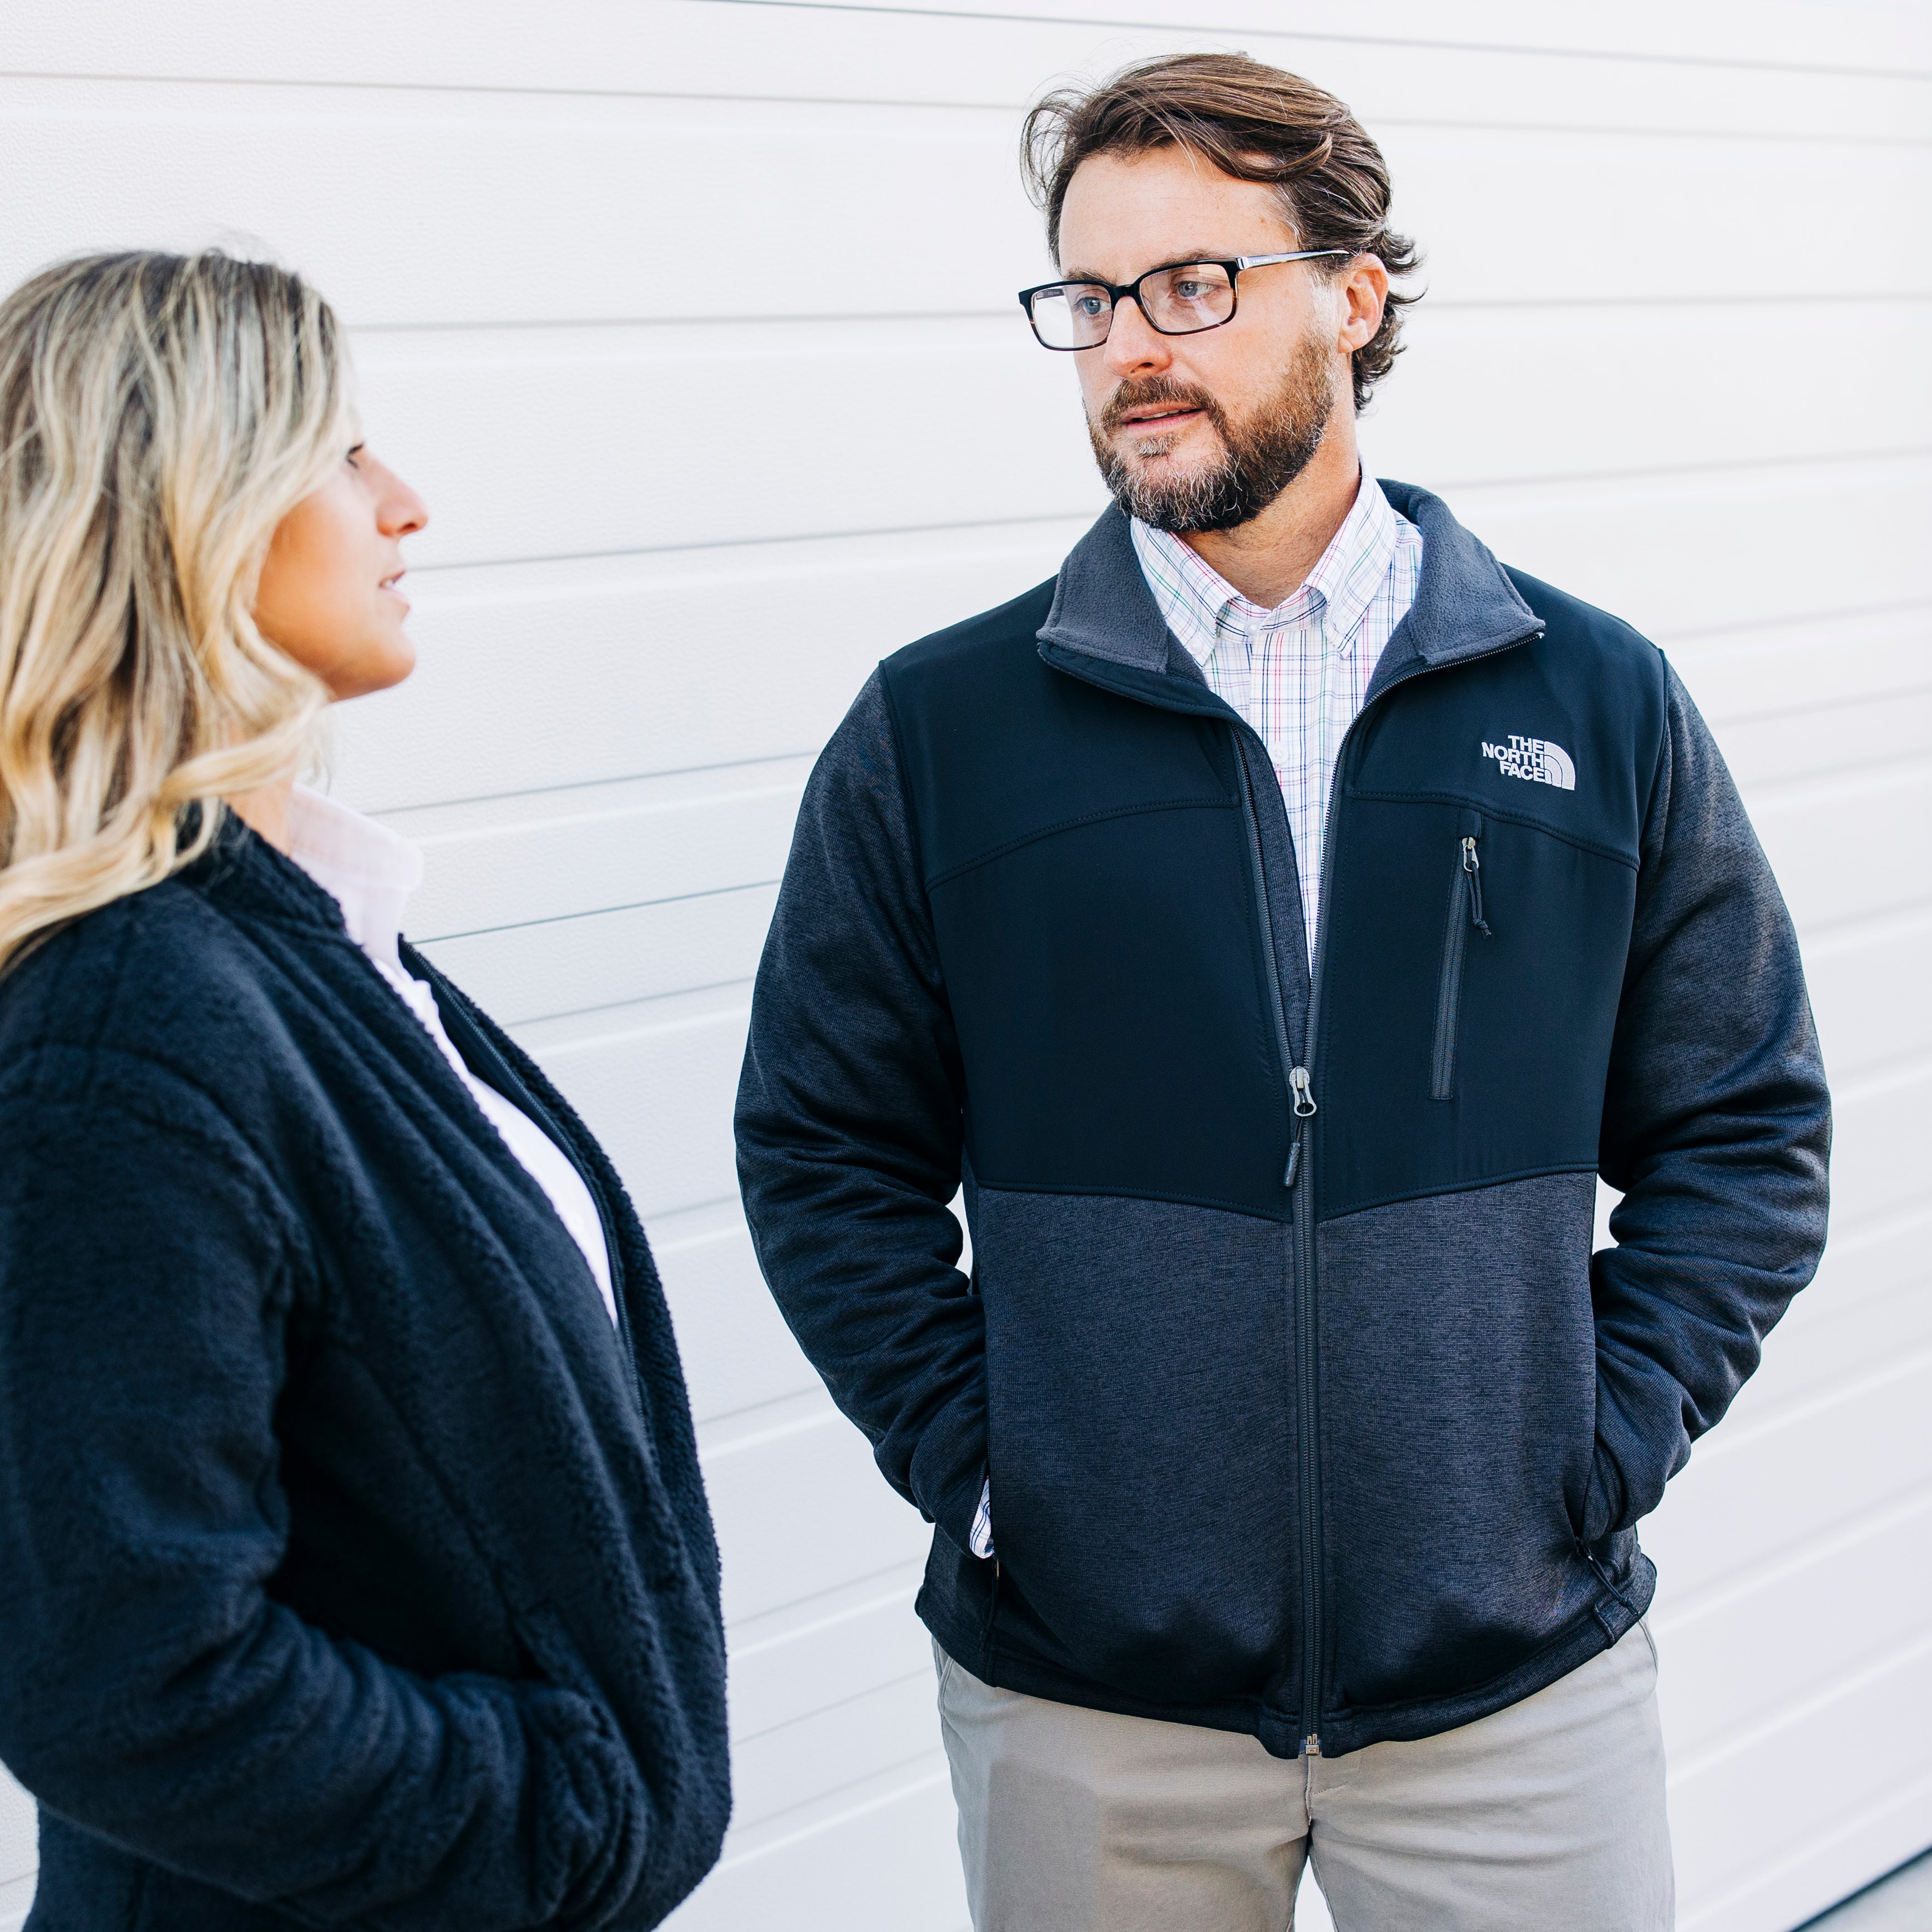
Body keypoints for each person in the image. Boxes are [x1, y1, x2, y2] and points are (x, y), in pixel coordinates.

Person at [736, 52, 1829, 1932]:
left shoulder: (1590, 698)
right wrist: (994, 1473)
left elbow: (1744, 1127)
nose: (1129, 350)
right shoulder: (942, 730)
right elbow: (823, 1147)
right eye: (1087, 300)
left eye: (1192, 284)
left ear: (1354, 292)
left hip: (1509, 1696)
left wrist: (1586, 1447)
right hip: (1089, 1707)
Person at [0, 251, 729, 1930]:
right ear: (194, 507)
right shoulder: (130, 1015)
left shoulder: (298, 947)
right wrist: (574, 1810)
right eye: (341, 452)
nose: (405, 503)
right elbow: (128, 1675)